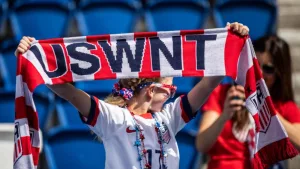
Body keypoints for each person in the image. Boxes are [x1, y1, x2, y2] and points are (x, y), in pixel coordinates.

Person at [15, 22, 249, 169]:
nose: (173, 94)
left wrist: (230, 39)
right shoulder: (112, 117)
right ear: (151, 90)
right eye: (170, 89)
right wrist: (34, 54)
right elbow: (65, 90)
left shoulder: (169, 117)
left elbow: (209, 83)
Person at [196, 35, 300, 169]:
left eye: (268, 69)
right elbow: (201, 145)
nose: (260, 74)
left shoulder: (284, 106)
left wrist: (267, 109)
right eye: (255, 66)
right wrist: (224, 116)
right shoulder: (223, 93)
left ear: (280, 73)